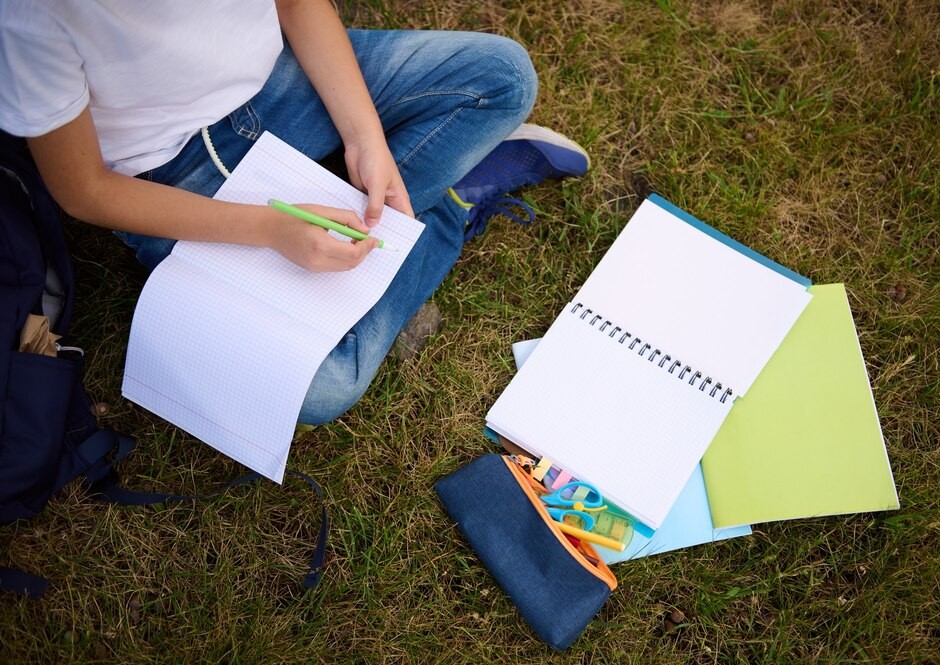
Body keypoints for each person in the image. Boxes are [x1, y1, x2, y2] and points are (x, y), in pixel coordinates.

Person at [0, 0, 589, 425]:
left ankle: (373, 207)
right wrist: (269, 230)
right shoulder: (27, 17)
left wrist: (365, 139)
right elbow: (85, 191)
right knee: (317, 389)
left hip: (282, 79)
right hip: (173, 173)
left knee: (503, 78)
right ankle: (446, 206)